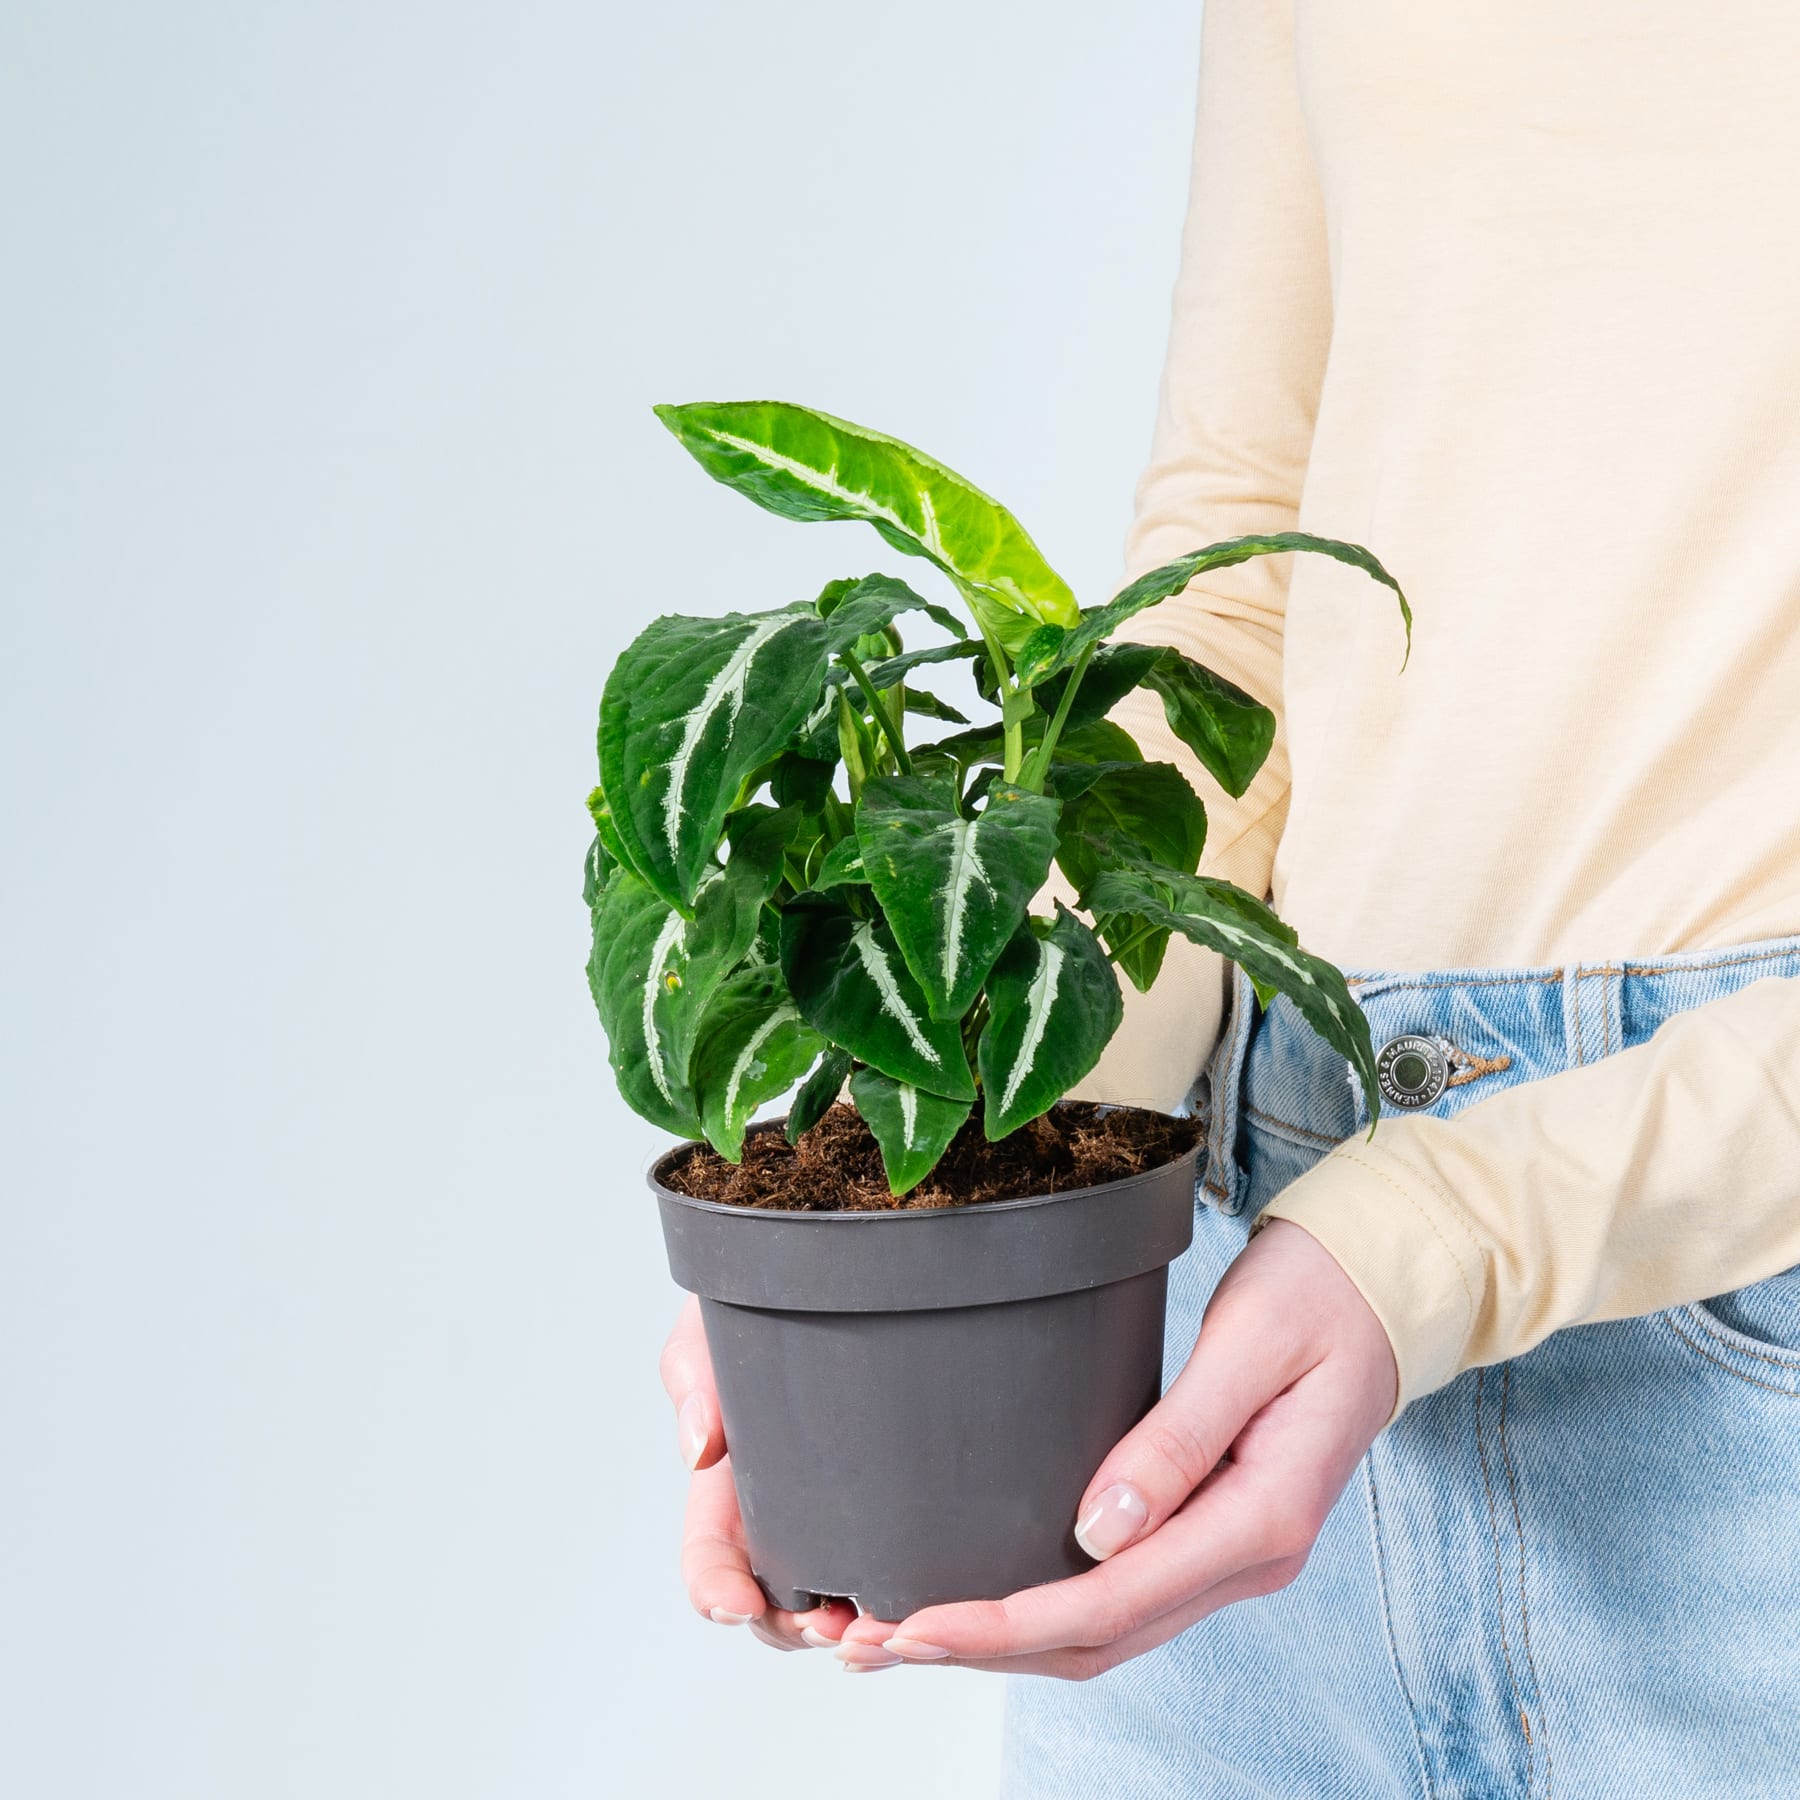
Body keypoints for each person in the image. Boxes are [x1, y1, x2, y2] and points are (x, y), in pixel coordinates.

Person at [661, 3, 1800, 1791]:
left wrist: (1445, 1238)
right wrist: (951, 1139)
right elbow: (1240, 571)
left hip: (1744, 1330)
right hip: (1261, 1281)